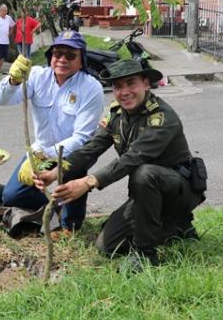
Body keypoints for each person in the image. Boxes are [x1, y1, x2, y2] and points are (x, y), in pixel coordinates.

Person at [34, 59, 206, 272]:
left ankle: (146, 255)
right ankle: (174, 227)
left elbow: (132, 158)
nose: (124, 92)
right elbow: (91, 149)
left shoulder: (162, 117)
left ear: (146, 83)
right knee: (106, 246)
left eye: (131, 83)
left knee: (144, 173)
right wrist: (55, 172)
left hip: (179, 189)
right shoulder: (116, 115)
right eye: (117, 86)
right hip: (147, 194)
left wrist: (88, 182)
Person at [0, 30, 104, 233]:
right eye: (57, 53)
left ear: (82, 60)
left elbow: (81, 138)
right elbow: (2, 100)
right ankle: (54, 206)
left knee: (70, 183)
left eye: (70, 55)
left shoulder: (91, 88)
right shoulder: (37, 75)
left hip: (72, 153)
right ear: (50, 56)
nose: (62, 59)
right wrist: (13, 81)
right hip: (40, 150)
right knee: (12, 196)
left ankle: (69, 226)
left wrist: (51, 163)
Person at [0, 4, 15, 74]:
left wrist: (10, 33)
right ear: (0, 10)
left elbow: (13, 25)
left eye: (6, 11)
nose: (5, 12)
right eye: (4, 11)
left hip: (5, 41)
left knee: (3, 57)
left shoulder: (8, 18)